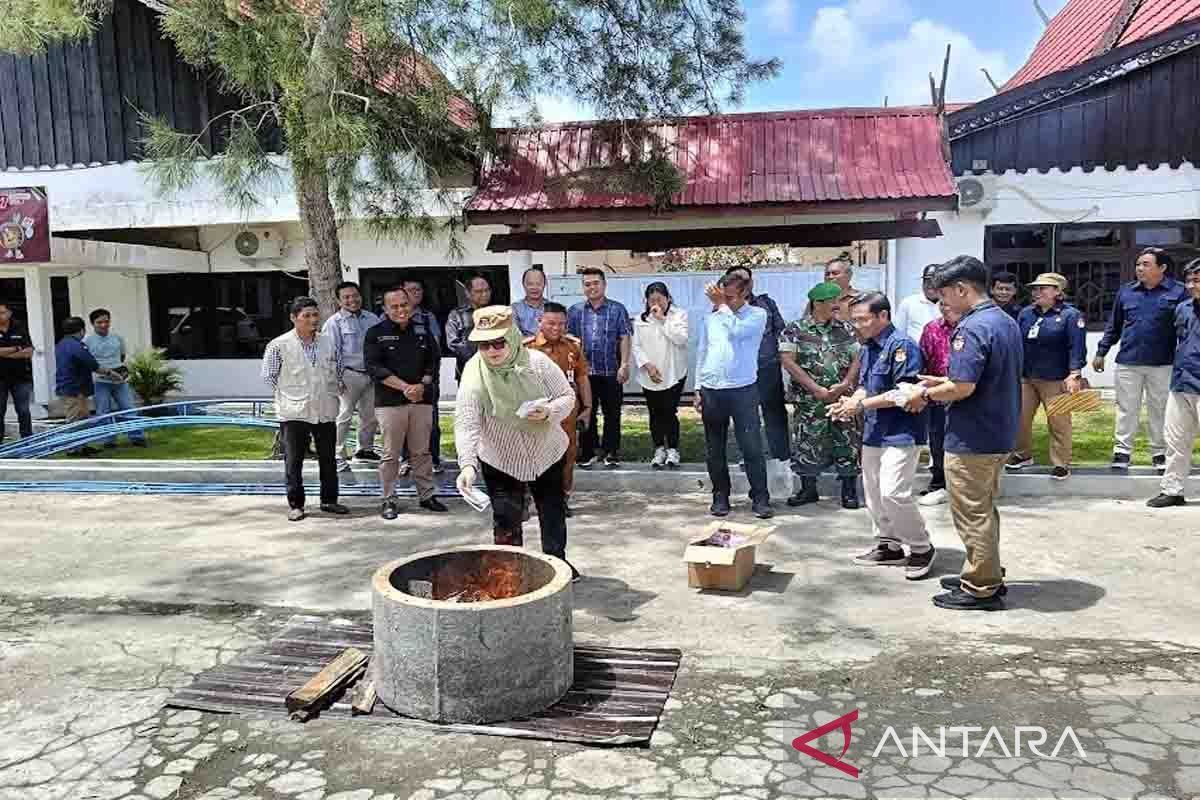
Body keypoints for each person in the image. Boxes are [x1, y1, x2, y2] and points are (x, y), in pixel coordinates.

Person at [908, 256, 1022, 611]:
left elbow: (964, 387)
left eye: (944, 294)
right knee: (985, 509)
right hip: (997, 430)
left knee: (972, 513)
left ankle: (980, 587)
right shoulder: (1003, 321)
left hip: (973, 436)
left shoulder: (971, 328)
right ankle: (986, 571)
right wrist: (940, 381)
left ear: (962, 289)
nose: (941, 302)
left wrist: (923, 393)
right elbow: (982, 377)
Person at [454, 306, 579, 578]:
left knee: (552, 513)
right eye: (484, 344)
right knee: (506, 520)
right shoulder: (474, 375)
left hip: (546, 451)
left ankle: (557, 567)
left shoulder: (537, 362)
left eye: (498, 342)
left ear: (512, 337)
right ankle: (510, 573)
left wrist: (549, 412)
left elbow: (567, 397)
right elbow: (466, 422)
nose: (492, 350)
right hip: (501, 458)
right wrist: (467, 466)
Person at [828, 292, 934, 580]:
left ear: (883, 316)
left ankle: (921, 547)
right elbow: (865, 387)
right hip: (874, 431)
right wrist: (849, 405)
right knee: (874, 493)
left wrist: (860, 404)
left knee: (894, 493)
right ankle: (889, 545)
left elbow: (904, 393)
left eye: (862, 319)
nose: (856, 326)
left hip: (901, 433)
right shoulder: (868, 348)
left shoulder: (902, 347)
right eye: (854, 320)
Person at [1094, 247, 1188, 473]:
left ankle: (1160, 454)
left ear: (1162, 268)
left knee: (1161, 409)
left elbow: (1187, 328)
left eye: (1146, 264)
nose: (1139, 268)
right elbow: (1114, 325)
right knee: (1126, 409)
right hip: (1129, 361)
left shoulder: (1179, 292)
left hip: (1163, 363)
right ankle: (1122, 453)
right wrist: (1101, 351)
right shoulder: (1126, 292)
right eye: (1138, 264)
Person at [260, 296, 348, 522]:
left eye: (315, 315)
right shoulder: (279, 345)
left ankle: (329, 500)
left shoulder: (328, 341)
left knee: (328, 458)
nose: (312, 320)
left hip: (325, 408)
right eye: (306, 316)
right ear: (293, 318)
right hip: (294, 411)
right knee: (294, 460)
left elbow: (337, 368)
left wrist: (334, 387)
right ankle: (296, 505)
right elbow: (269, 376)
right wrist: (287, 395)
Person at [694, 273, 772, 519]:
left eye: (729, 297)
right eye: (721, 295)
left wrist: (722, 306)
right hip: (712, 389)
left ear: (745, 295)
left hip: (743, 389)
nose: (723, 300)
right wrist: (698, 387)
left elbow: (737, 332)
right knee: (713, 448)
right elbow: (703, 351)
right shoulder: (712, 318)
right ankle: (720, 496)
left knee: (751, 447)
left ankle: (760, 497)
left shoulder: (757, 316)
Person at [365, 286, 447, 519]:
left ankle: (427, 495)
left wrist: (422, 385)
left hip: (421, 400)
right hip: (390, 403)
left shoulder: (422, 331)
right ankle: (389, 499)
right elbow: (374, 368)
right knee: (390, 454)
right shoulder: (375, 333)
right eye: (395, 306)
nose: (401, 310)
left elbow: (433, 361)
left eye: (404, 305)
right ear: (385, 309)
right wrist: (405, 387)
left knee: (422, 452)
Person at [779, 282, 862, 509]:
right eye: (833, 301)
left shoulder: (846, 329)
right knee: (808, 443)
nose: (837, 305)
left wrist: (845, 383)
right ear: (818, 303)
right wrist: (816, 389)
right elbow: (788, 361)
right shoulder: (794, 329)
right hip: (809, 401)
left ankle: (849, 491)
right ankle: (808, 490)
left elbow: (857, 358)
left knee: (847, 442)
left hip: (842, 399)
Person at [1007, 274, 1088, 480]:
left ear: (1058, 291)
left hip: (1056, 377)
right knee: (1020, 418)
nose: (1037, 292)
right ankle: (1022, 454)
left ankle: (1061, 463)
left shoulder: (1070, 315)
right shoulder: (1026, 313)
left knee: (1059, 421)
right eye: (1035, 289)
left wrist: (1074, 373)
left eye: (1043, 288)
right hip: (1026, 376)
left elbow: (1076, 346)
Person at [525, 302, 592, 516]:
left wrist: (588, 407)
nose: (556, 328)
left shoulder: (573, 346)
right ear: (540, 322)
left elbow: (582, 378)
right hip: (536, 413)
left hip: (567, 414)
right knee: (531, 456)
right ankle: (526, 500)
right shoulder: (526, 348)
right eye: (551, 323)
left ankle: (562, 499)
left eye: (561, 324)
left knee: (567, 457)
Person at [723, 266, 790, 464]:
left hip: (767, 366)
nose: (743, 283)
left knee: (774, 412)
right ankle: (749, 455)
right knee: (745, 415)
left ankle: (781, 456)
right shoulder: (724, 308)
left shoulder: (765, 304)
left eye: (746, 279)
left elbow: (781, 330)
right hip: (740, 370)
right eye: (737, 279)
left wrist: (783, 357)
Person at [1147, 259, 1200, 508]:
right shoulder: (1184, 308)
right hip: (1181, 384)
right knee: (1175, 441)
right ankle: (1173, 490)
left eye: (1196, 280)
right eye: (1189, 280)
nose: (1190, 285)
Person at [568, 268, 632, 468]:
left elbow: (625, 337)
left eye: (596, 283)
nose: (592, 287)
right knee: (587, 412)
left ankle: (611, 452)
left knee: (612, 413)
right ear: (583, 287)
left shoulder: (617, 309)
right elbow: (570, 341)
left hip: (611, 371)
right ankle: (588, 452)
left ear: (604, 285)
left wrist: (625, 364)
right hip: (584, 374)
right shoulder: (575, 311)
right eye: (587, 284)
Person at [321, 281, 381, 471]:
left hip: (372, 375)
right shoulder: (334, 323)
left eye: (354, 295)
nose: (352, 300)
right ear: (339, 300)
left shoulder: (372, 319)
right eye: (346, 297)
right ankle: (337, 453)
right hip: (348, 375)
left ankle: (365, 450)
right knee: (344, 415)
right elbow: (331, 353)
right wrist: (336, 378)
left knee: (370, 416)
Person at [631, 282, 689, 469]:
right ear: (646, 301)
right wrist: (648, 366)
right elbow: (636, 346)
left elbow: (680, 339)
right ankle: (658, 449)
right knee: (655, 412)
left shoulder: (678, 315)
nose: (655, 303)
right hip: (650, 372)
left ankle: (673, 449)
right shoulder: (640, 320)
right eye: (651, 300)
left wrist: (663, 319)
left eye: (660, 299)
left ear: (668, 299)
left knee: (669, 411)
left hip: (674, 372)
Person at [916, 300, 961, 506]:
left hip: (965, 392)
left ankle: (961, 486)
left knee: (963, 440)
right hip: (938, 393)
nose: (945, 307)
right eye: (942, 304)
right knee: (937, 439)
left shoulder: (970, 327)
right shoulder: (932, 328)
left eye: (948, 303)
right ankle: (939, 484)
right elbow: (923, 358)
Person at [83, 309, 146, 448]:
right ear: (92, 324)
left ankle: (137, 437)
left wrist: (119, 371)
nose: (104, 324)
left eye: (106, 321)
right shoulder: (87, 341)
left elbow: (122, 356)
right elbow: (87, 362)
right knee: (103, 411)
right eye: (99, 322)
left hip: (120, 381)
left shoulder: (117, 338)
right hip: (100, 382)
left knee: (128, 408)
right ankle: (108, 440)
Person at [402, 278, 444, 474]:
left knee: (430, 421)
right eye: (411, 290)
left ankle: (433, 459)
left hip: (426, 377)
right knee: (403, 421)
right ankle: (406, 460)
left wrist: (428, 375)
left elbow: (435, 348)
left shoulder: (428, 317)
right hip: (400, 379)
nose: (416, 293)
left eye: (418, 289)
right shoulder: (389, 317)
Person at [55, 316, 103, 457]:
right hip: (75, 389)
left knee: (81, 418)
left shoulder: (62, 344)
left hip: (71, 387)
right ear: (82, 330)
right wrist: (111, 373)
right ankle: (72, 449)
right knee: (75, 420)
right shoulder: (77, 346)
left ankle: (82, 446)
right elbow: (92, 364)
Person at [445, 275, 493, 381]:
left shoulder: (496, 313)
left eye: (487, 290)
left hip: (494, 372)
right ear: (468, 293)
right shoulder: (457, 315)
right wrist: (478, 358)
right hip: (467, 372)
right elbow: (453, 342)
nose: (484, 294)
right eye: (479, 291)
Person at [0, 301, 35, 443]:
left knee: (23, 410)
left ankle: (27, 440)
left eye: (1, 312)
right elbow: (22, 349)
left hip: (21, 377)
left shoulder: (19, 327)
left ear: (9, 313)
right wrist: (17, 348)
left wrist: (5, 353)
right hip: (0, 378)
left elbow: (29, 352)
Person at [893, 265, 943, 342]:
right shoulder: (908, 303)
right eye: (927, 280)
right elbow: (898, 334)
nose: (930, 284)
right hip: (914, 352)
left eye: (935, 280)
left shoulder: (949, 305)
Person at [513, 267, 549, 336]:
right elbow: (515, 337)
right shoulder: (515, 309)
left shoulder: (553, 308)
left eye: (538, 284)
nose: (534, 287)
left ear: (545, 284)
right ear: (523, 284)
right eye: (530, 284)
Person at [824, 257, 860, 322]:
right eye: (827, 274)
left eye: (835, 273)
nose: (830, 277)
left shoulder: (862, 299)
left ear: (849, 275)